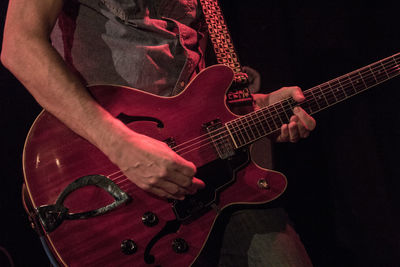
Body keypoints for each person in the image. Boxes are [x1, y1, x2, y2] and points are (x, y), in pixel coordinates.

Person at [1, 0, 316, 266]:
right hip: (110, 184)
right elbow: (19, 45)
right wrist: (121, 145)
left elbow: (194, 88)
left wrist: (257, 107)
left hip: (212, 182)